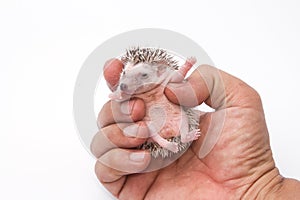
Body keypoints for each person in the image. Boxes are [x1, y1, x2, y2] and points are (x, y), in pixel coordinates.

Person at [90, 58, 300, 199]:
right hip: (155, 126)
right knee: (148, 130)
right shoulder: (131, 87)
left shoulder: (165, 82)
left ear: (157, 71)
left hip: (175, 120)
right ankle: (165, 142)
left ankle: (181, 135)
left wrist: (258, 189)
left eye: (143, 77)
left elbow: (177, 77)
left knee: (180, 119)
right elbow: (122, 91)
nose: (133, 82)